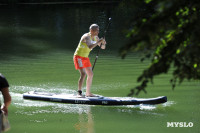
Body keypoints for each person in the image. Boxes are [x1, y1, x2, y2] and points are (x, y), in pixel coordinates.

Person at [74, 24, 106, 97]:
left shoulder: (96, 37)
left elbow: (103, 47)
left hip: (85, 58)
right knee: (83, 74)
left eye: (98, 30)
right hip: (78, 57)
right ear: (91, 31)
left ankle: (88, 93)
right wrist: (99, 42)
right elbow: (90, 46)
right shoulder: (86, 37)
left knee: (91, 74)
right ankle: (79, 92)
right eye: (96, 30)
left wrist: (103, 43)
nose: (98, 32)